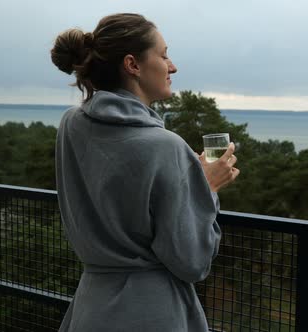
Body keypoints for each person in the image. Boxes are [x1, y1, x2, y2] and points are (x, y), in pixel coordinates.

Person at [50, 13, 239, 331]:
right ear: (132, 65)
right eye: (164, 55)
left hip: (91, 306)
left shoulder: (71, 124)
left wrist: (182, 178)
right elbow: (192, 262)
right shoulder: (165, 146)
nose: (172, 66)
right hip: (150, 311)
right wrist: (204, 188)